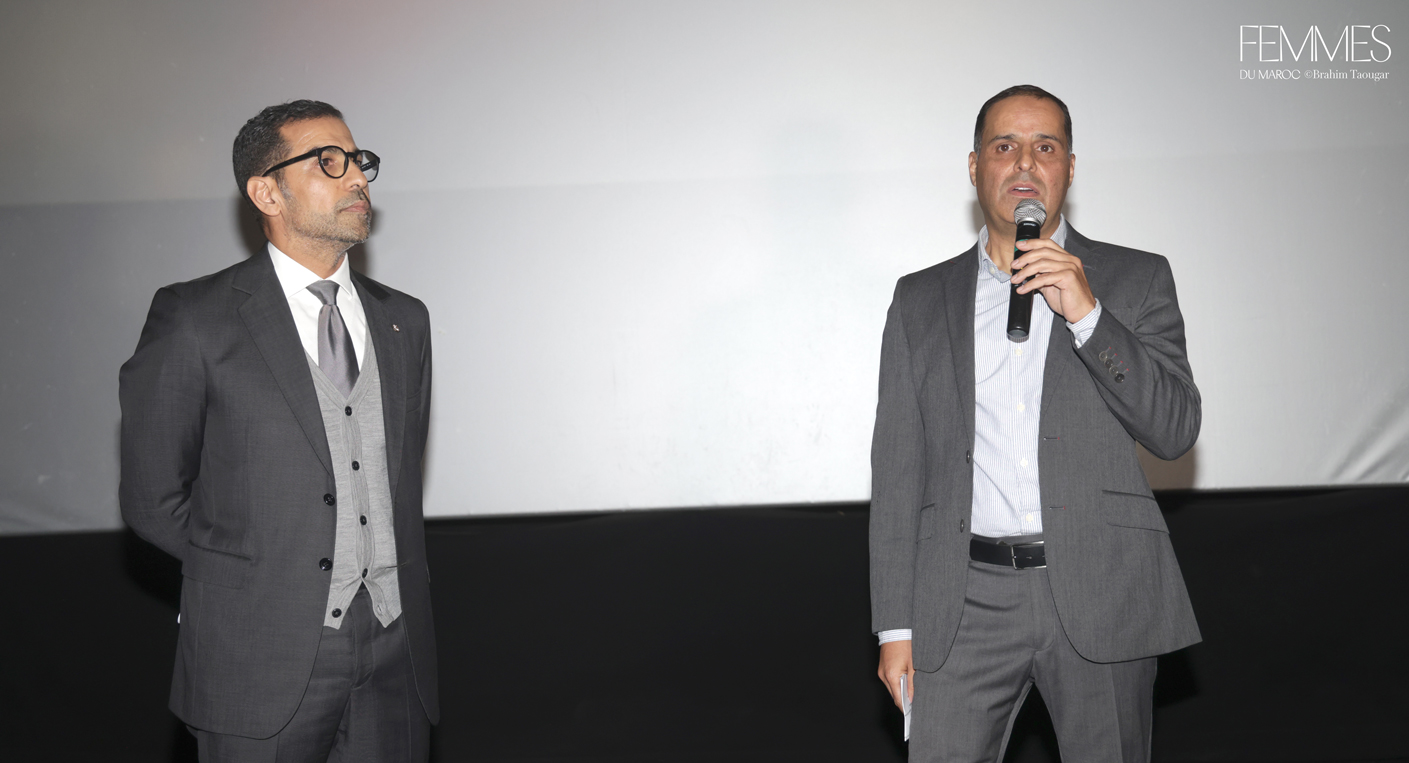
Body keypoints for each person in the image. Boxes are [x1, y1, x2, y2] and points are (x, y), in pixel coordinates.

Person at [869, 84, 1202, 762]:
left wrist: (1087, 314)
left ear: (1069, 168)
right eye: (1005, 146)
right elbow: (899, 467)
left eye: (1045, 147)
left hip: (1102, 588)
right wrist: (894, 626)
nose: (1025, 162)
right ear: (974, 168)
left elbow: (1174, 429)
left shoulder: (1136, 278)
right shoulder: (920, 299)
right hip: (961, 602)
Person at [120, 100, 438, 761]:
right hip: (255, 655)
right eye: (330, 161)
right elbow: (153, 500)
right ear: (266, 192)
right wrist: (254, 581)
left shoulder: (405, 320)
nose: (358, 177)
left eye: (359, 161)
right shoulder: (195, 317)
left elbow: (396, 480)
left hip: (394, 652)